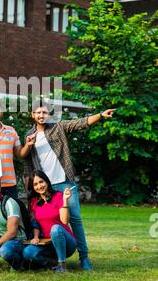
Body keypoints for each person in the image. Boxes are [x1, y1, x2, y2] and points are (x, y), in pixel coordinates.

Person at [23, 101, 116, 271]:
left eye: (44, 112)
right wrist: (30, 185)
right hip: (45, 187)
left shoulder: (58, 127)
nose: (41, 115)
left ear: (48, 115)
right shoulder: (29, 135)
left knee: (75, 220)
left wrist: (101, 115)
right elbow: (28, 163)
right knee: (48, 221)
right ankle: (54, 257)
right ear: (32, 115)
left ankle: (84, 257)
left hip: (65, 182)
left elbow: (80, 123)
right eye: (38, 113)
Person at [23, 171, 77, 273]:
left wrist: (65, 200)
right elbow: (35, 223)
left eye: (41, 182)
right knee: (27, 253)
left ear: (47, 181)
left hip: (66, 242)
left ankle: (62, 265)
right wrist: (35, 237)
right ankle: (51, 263)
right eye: (35, 184)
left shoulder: (58, 196)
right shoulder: (34, 201)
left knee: (55, 229)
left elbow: (65, 221)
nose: (39, 186)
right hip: (47, 243)